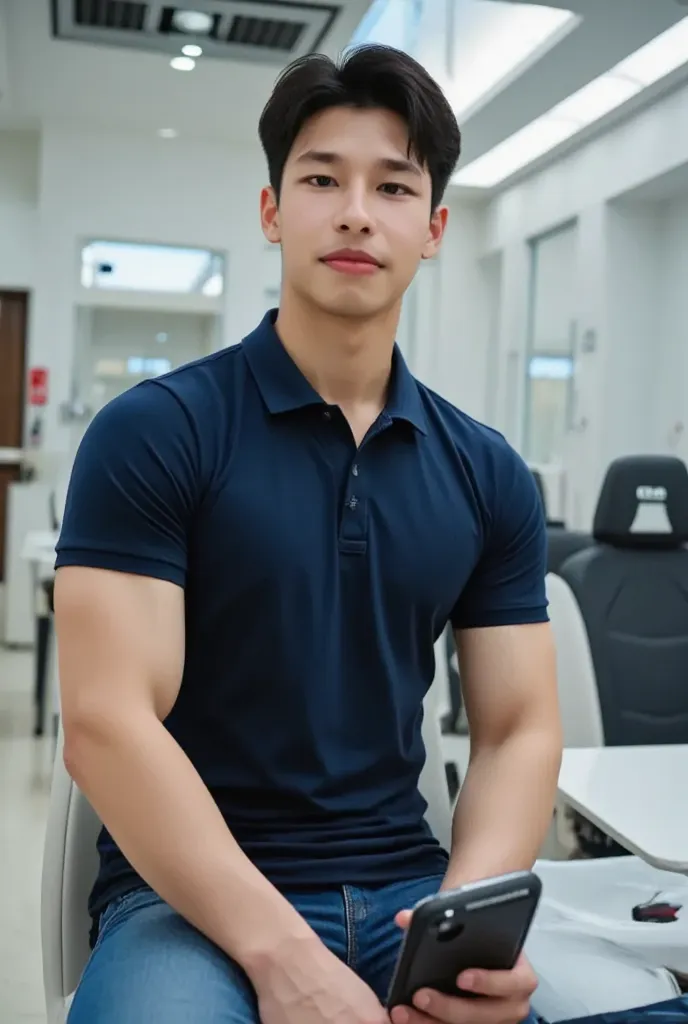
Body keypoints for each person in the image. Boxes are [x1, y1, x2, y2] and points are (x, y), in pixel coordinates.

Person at [55, 44, 563, 1024]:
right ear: (271, 211)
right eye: (321, 177)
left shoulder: (486, 470)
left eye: (393, 185)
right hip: (185, 900)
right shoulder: (157, 433)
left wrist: (465, 927)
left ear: (434, 227)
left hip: (406, 890)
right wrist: (282, 953)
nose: (356, 212)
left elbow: (517, 727)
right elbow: (106, 721)